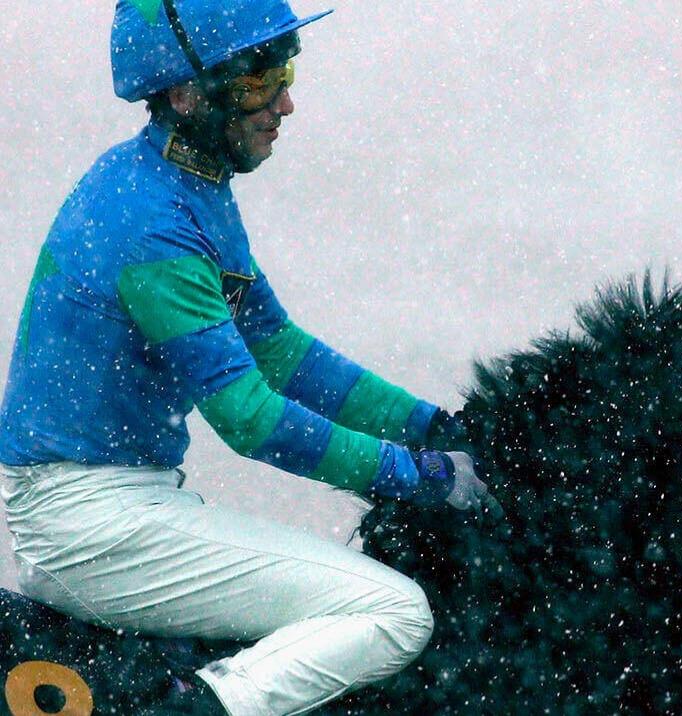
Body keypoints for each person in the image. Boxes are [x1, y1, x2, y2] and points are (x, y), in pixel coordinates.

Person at [0, 1, 501, 714]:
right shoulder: (153, 223)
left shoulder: (186, 185)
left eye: (284, 67)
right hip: (87, 524)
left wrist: (437, 427)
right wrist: (419, 477)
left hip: (117, 503)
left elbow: (287, 357)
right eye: (254, 81)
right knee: (395, 614)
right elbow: (250, 419)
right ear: (182, 94)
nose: (285, 102)